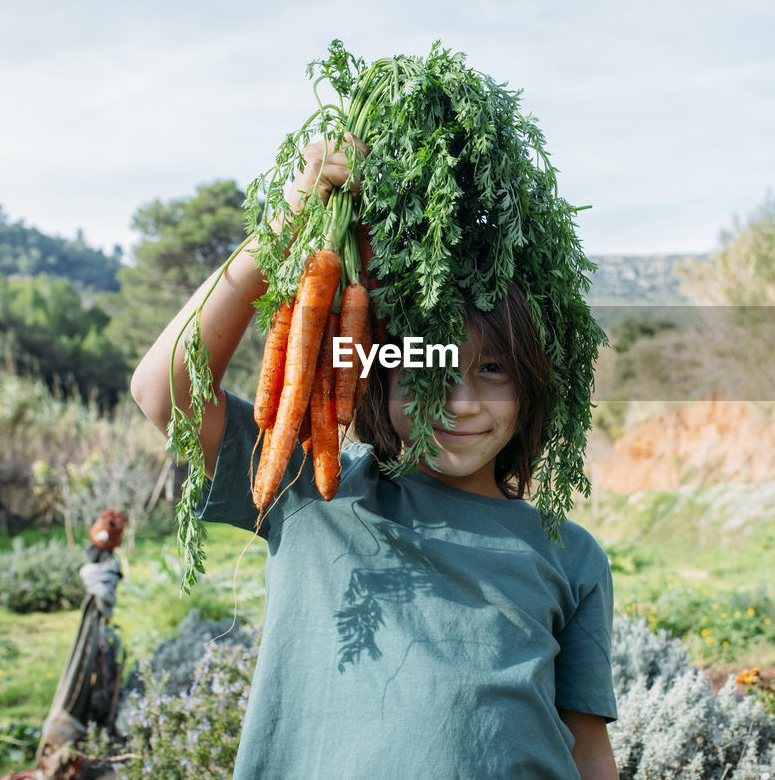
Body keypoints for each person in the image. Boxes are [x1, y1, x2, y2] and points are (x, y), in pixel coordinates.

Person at [130, 139, 619, 779]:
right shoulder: (312, 491)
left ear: (533, 386)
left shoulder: (571, 556)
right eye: (424, 363)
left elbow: (587, 751)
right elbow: (162, 390)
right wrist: (287, 225)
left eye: (493, 369)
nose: (461, 402)